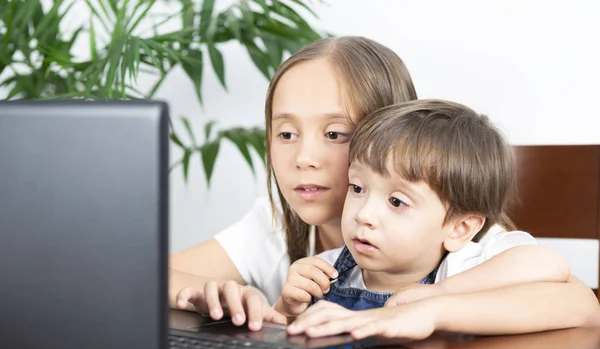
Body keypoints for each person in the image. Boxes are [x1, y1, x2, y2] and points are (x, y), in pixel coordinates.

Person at [170, 36, 596, 332]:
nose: (303, 159)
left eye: (336, 134)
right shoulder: (277, 220)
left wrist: (430, 305)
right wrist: (211, 297)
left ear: (388, 133)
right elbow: (146, 276)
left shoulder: (454, 237)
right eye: (286, 134)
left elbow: (580, 304)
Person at [282, 100, 600, 339]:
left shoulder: (463, 267)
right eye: (358, 187)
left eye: (396, 201)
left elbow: (550, 267)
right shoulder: (332, 271)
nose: (364, 214)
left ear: (459, 228)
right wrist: (288, 309)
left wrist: (435, 300)